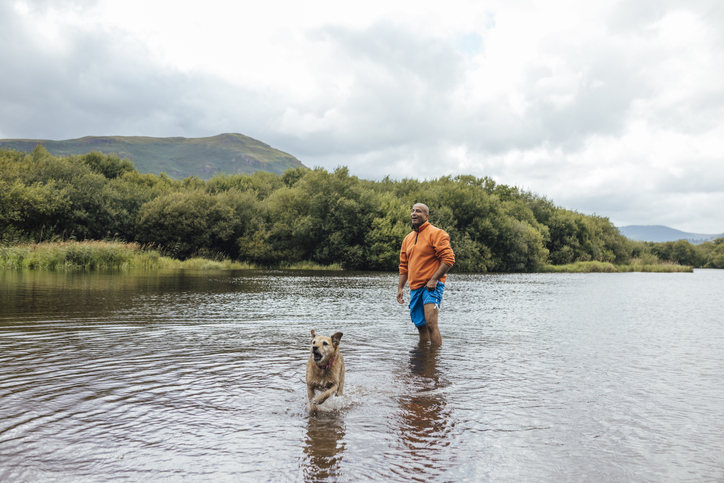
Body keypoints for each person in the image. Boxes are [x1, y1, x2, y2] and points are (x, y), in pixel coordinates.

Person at [397, 203, 455, 345]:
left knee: (430, 323)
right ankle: (423, 361)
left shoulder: (437, 233)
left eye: (418, 211)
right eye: (412, 211)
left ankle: (435, 361)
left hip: (432, 286)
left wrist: (434, 279)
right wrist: (400, 288)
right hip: (415, 287)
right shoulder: (407, 239)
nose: (414, 213)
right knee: (421, 326)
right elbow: (404, 266)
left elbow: (449, 259)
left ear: (426, 216)